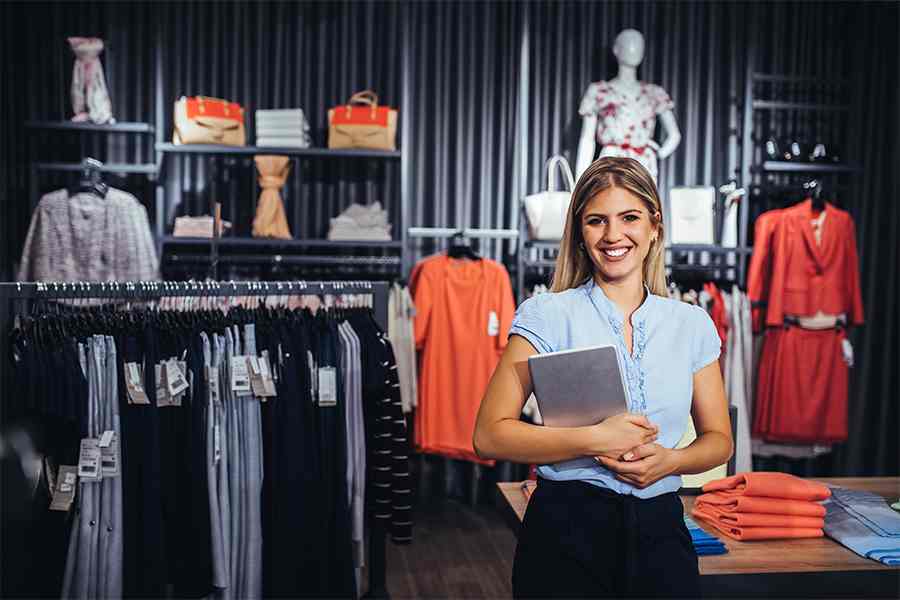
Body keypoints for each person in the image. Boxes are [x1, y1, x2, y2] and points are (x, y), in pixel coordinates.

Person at [473, 156, 733, 598]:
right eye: (597, 221)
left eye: (629, 217)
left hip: (662, 532)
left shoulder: (692, 324)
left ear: (654, 226)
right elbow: (489, 436)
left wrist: (671, 462)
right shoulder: (546, 315)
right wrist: (596, 438)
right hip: (565, 532)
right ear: (580, 233)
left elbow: (719, 440)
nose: (614, 235)